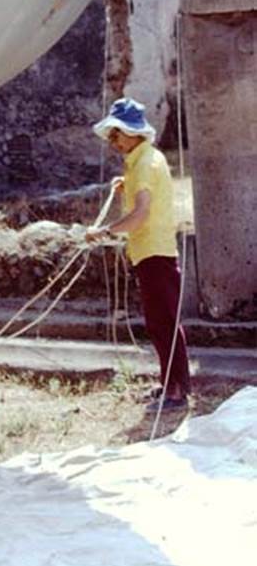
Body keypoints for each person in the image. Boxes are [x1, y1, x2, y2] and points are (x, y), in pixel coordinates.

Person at [87, 98, 191, 411]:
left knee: (166, 323)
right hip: (147, 252)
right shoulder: (140, 162)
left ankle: (177, 392)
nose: (114, 142)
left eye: (117, 134)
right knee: (158, 323)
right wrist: (126, 185)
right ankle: (169, 384)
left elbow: (141, 214)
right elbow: (143, 197)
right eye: (112, 136)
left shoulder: (146, 163)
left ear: (133, 133)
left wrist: (105, 231)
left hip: (155, 251)